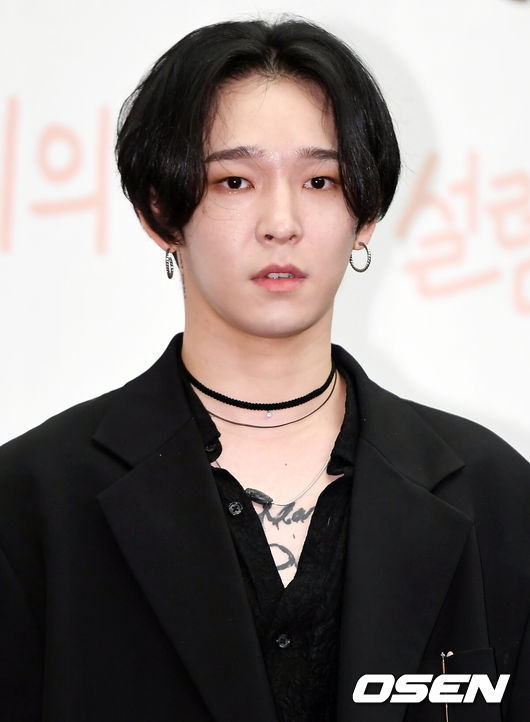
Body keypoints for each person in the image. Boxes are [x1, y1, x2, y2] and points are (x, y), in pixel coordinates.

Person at [1, 17, 529, 722]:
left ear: (366, 213)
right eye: (235, 181)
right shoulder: (30, 504)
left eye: (320, 180)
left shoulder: (497, 498)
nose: (281, 222)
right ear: (159, 211)